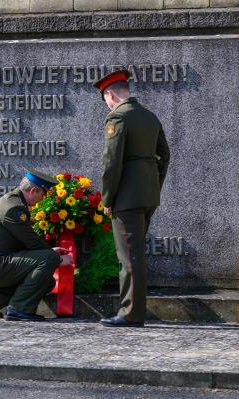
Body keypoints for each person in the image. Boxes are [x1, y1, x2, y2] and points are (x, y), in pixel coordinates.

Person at [93, 69, 170, 328]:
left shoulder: (119, 118)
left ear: (110, 94)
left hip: (126, 198)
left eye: (105, 98)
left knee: (128, 257)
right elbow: (164, 155)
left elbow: (111, 164)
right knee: (135, 254)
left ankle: (130, 313)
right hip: (148, 195)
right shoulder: (150, 117)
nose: (107, 103)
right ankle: (133, 310)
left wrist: (107, 198)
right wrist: (153, 185)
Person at [0, 168, 73, 322]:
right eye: (42, 194)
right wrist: (56, 258)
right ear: (33, 190)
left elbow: (25, 241)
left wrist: (52, 252)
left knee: (47, 282)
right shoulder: (14, 208)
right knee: (48, 260)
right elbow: (31, 241)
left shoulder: (13, 201)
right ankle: (19, 309)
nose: (42, 200)